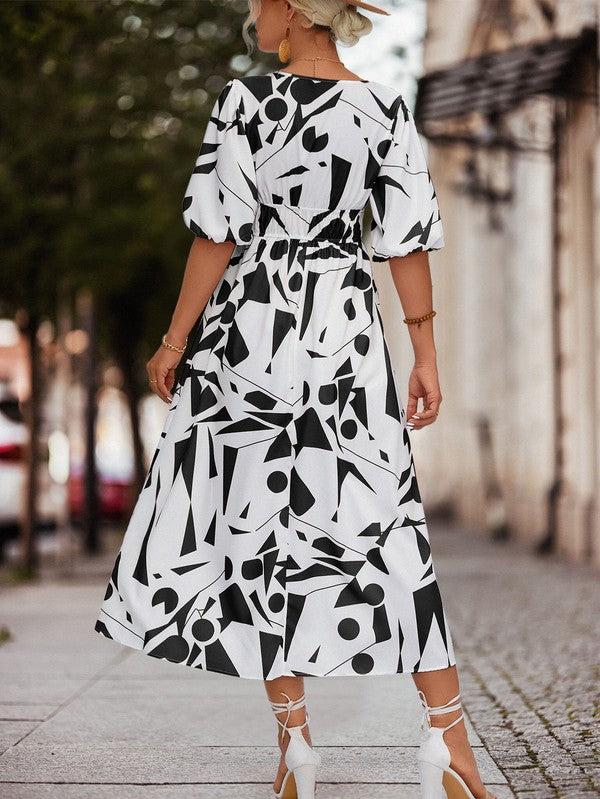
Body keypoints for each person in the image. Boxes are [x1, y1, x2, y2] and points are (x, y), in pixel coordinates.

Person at [94, 1, 499, 798]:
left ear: (290, 9)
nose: (253, 15)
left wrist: (175, 340)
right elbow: (407, 238)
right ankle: (449, 737)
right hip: (344, 329)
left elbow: (217, 234)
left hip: (251, 334)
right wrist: (425, 352)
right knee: (385, 521)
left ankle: (298, 747)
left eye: (259, 1)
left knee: (258, 534)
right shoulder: (384, 108)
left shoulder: (245, 103)